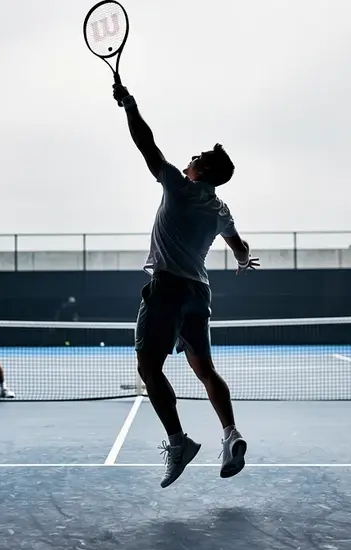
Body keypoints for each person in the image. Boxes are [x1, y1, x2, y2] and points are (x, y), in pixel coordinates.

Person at [112, 80, 260, 488]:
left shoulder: (178, 186)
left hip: (168, 290)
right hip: (199, 293)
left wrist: (129, 104)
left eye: (196, 157)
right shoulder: (220, 208)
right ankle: (231, 434)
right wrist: (243, 262)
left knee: (148, 367)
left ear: (203, 171)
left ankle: (179, 443)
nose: (189, 159)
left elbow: (146, 144)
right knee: (205, 370)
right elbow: (240, 246)